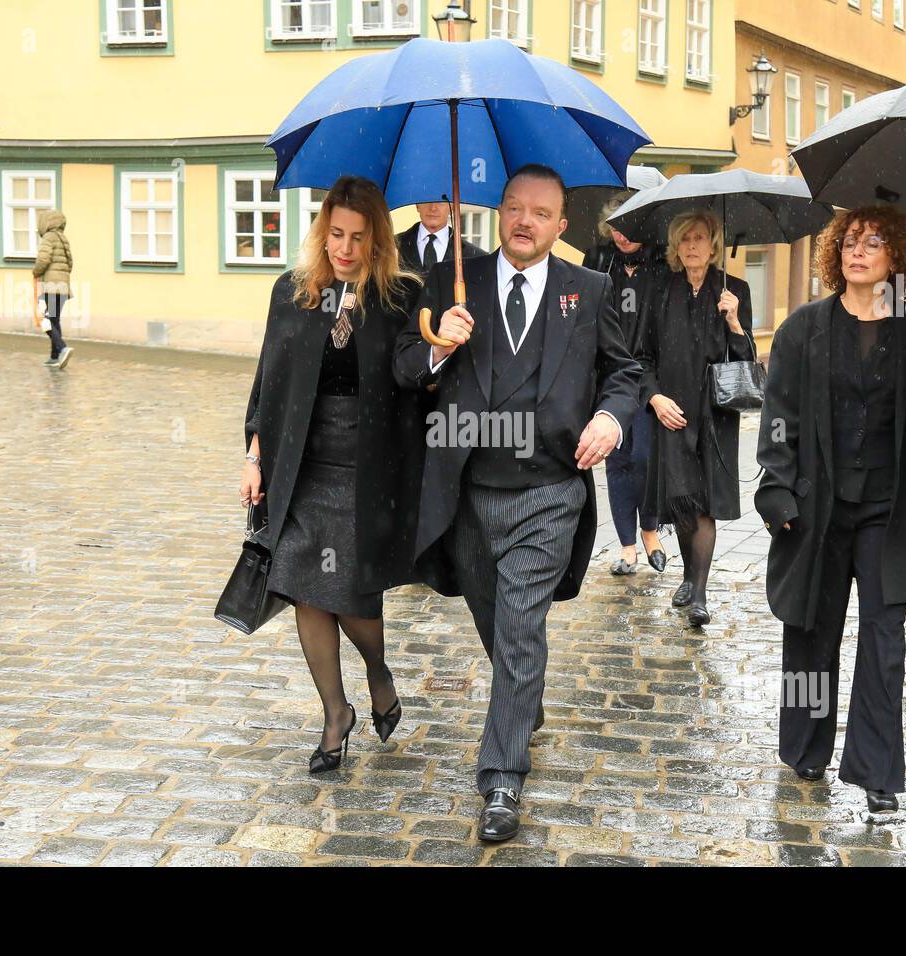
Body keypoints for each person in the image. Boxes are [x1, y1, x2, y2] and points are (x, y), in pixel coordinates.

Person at [393, 164, 641, 842]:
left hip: (549, 491)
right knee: (498, 624)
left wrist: (611, 420)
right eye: (512, 208)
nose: (524, 220)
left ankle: (502, 778)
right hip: (467, 491)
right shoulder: (453, 281)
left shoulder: (588, 290)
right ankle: (520, 693)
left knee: (521, 624)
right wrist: (438, 349)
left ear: (562, 225)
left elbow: (625, 370)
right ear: (498, 213)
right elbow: (402, 363)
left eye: (540, 212)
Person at [757, 205, 906, 814]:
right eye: (848, 241)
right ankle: (808, 747)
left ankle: (877, 770)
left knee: (883, 637)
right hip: (816, 508)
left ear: (897, 256)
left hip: (888, 511)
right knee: (811, 630)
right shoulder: (803, 329)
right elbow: (778, 416)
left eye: (872, 242)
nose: (857, 251)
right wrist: (779, 492)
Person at [241, 175, 427, 775]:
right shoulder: (291, 292)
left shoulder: (399, 297)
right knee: (303, 586)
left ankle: (377, 671)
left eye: (357, 238)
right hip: (299, 462)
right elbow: (268, 381)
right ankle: (334, 715)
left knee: (349, 593)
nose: (343, 249)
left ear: (377, 242)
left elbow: (412, 380)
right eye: (335, 234)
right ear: (322, 232)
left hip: (365, 468)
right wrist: (254, 457)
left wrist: (439, 346)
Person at [635, 210, 753, 627]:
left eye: (700, 238)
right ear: (675, 246)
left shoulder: (733, 290)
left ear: (713, 245)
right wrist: (654, 398)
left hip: (715, 415)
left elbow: (748, 361)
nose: (691, 246)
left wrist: (735, 322)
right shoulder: (660, 289)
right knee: (682, 503)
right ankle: (689, 576)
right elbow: (642, 356)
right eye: (684, 239)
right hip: (673, 413)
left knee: (704, 505)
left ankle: (699, 593)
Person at [582, 192, 668, 576]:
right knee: (616, 460)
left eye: (628, 227)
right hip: (610, 375)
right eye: (615, 227)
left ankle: (650, 529)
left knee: (644, 458)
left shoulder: (665, 264)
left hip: (651, 375)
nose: (621, 235)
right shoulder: (601, 260)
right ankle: (628, 546)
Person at [395, 201, 486, 279]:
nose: (433, 208)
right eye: (427, 200)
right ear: (417, 205)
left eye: (440, 201)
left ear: (452, 206)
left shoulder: (476, 258)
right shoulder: (391, 246)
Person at [33, 210, 74, 369]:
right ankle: (54, 356)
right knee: (54, 319)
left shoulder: (48, 237)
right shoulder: (63, 239)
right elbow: (70, 263)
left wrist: (36, 272)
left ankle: (63, 347)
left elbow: (43, 259)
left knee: (44, 319)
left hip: (50, 285)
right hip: (63, 286)